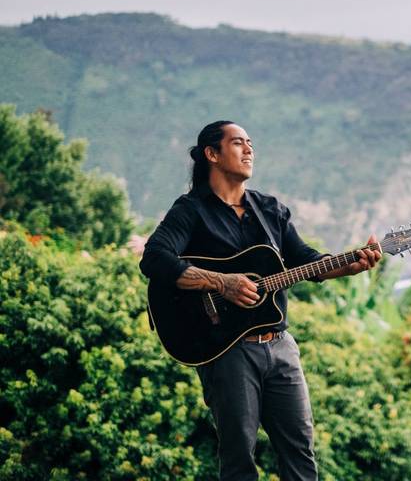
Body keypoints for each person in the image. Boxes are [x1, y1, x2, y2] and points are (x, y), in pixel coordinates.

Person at [140, 120, 381, 481]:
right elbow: (154, 259)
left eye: (251, 143)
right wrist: (221, 282)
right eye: (238, 143)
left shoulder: (270, 209)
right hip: (226, 350)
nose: (250, 149)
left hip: (281, 346)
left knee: (301, 453)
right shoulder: (191, 210)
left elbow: (305, 261)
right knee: (239, 458)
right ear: (212, 154)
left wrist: (348, 266)